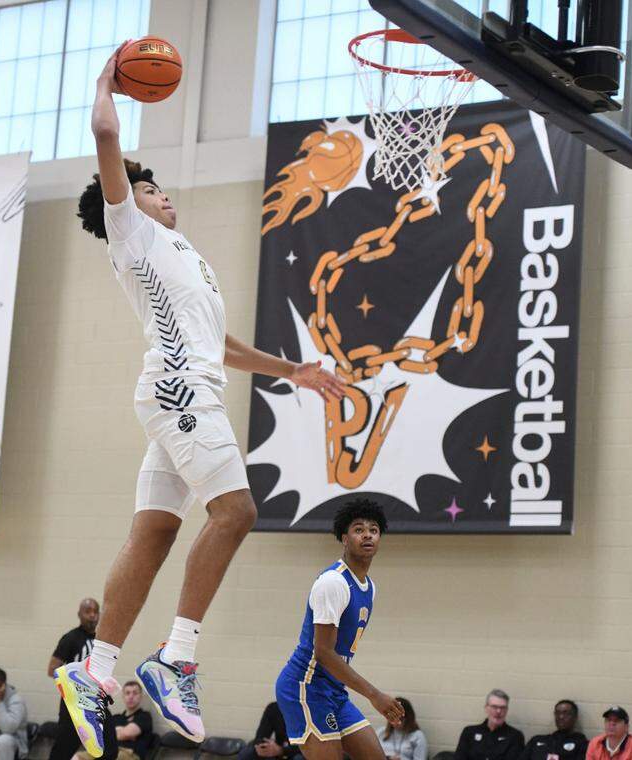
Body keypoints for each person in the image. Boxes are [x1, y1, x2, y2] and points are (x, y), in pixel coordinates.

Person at [60, 40, 346, 758]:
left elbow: (222, 344)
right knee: (237, 511)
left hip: (183, 388)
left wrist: (296, 371)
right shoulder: (131, 233)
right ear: (128, 202)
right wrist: (106, 84)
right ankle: (176, 656)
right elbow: (105, 137)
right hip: (181, 391)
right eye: (152, 190)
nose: (164, 196)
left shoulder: (185, 259)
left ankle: (94, 667)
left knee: (153, 534)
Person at [274, 499, 404, 760]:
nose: (367, 534)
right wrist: (375, 695)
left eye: (374, 529)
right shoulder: (333, 582)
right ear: (345, 538)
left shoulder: (369, 586)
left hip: (333, 690)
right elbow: (323, 652)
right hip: (306, 686)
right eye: (359, 529)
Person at [48, 600, 117, 760]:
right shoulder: (71, 638)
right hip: (73, 702)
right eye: (88, 611)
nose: (92, 615)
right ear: (79, 614)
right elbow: (52, 669)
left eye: (95, 611)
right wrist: (77, 679)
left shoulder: (102, 641)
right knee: (64, 748)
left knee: (109, 747)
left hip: (97, 699)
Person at [74, 681, 153, 760]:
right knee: (77, 756)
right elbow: (98, 736)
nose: (131, 696)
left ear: (141, 696)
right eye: (127, 693)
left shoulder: (144, 716)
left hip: (129, 753)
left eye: (135, 693)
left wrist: (111, 733)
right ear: (123, 696)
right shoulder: (115, 718)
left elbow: (126, 734)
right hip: (108, 751)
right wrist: (116, 732)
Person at [454, 690, 525, 760]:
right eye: (494, 707)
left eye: (503, 708)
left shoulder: (515, 737)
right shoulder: (469, 732)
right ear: (486, 708)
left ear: (507, 710)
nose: (498, 711)